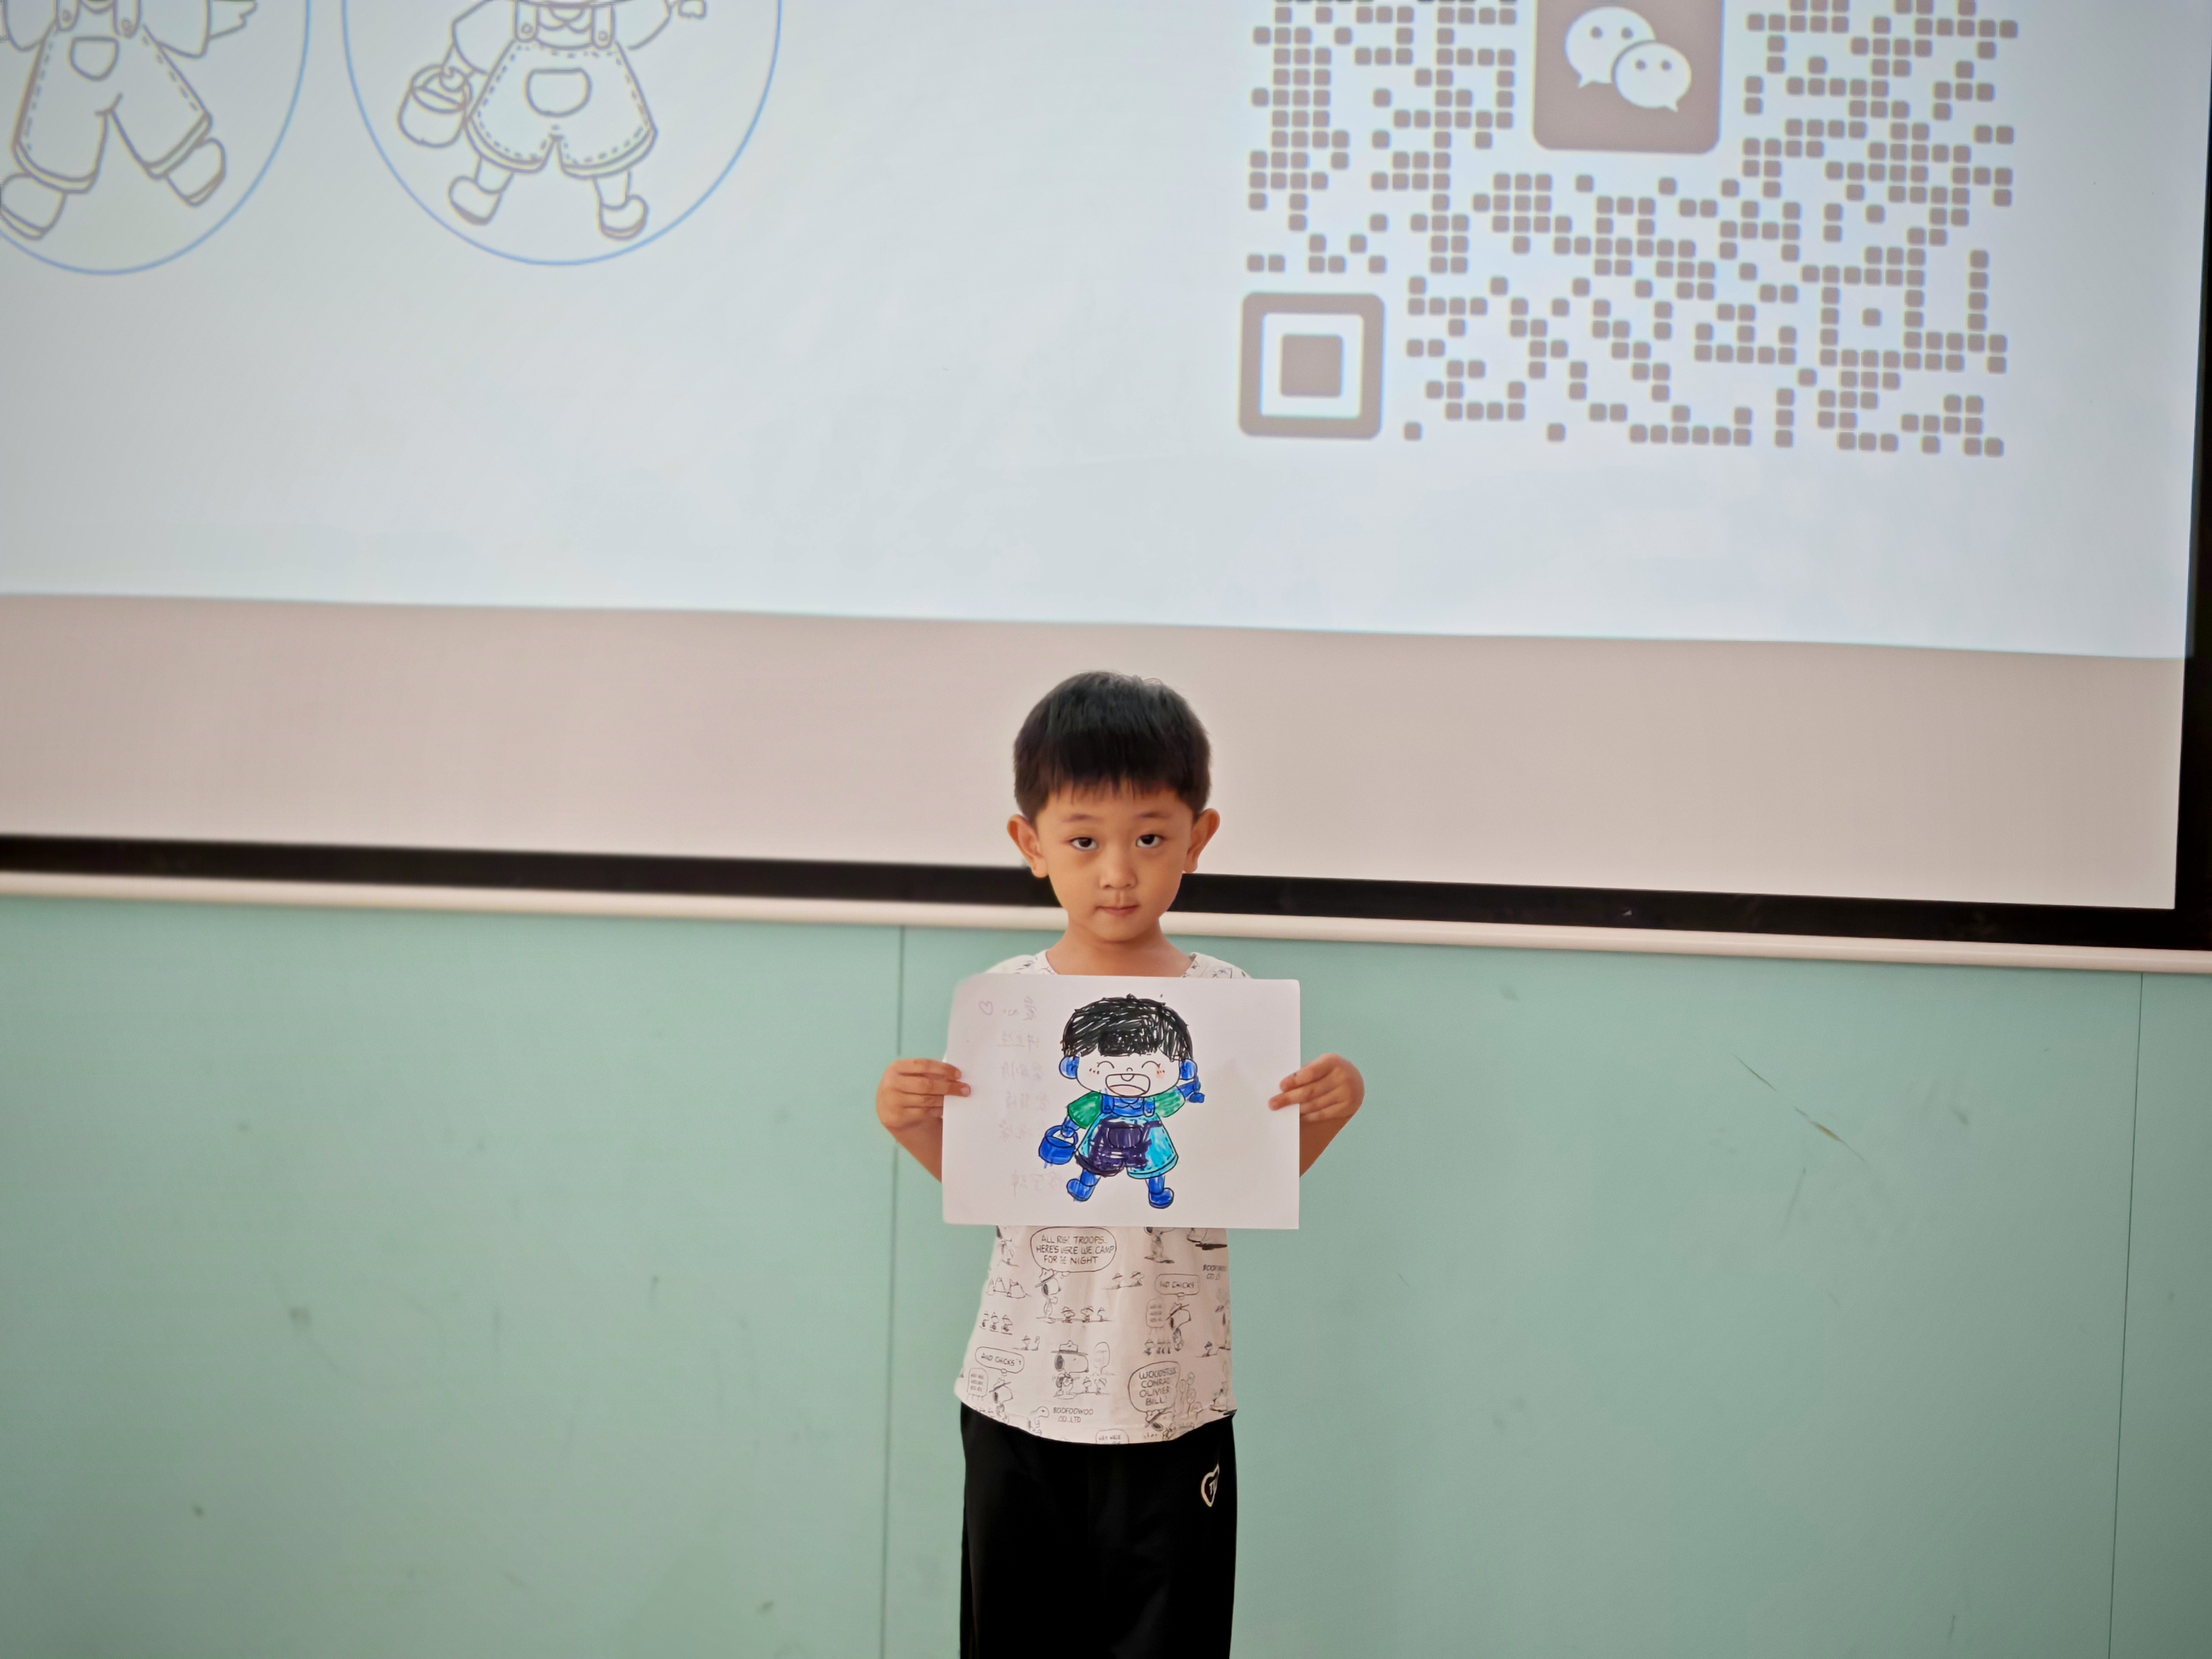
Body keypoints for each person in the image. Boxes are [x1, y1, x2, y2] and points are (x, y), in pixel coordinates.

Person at [874, 670, 1367, 1659]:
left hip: (1174, 1401)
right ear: (1031, 845)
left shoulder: (1228, 1002)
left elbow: (1253, 1174)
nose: (1117, 873)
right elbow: (993, 1183)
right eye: (1083, 840)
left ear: (1198, 837)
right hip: (1017, 1396)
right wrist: (911, 1124)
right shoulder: (1009, 1002)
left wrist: (1329, 1112)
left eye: (1149, 838)